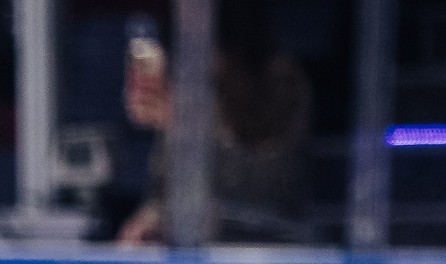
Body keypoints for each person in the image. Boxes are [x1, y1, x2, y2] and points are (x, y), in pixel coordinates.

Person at [116, 3, 312, 246]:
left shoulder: (280, 79)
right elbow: (162, 186)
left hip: (269, 248)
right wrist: (150, 219)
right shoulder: (183, 85)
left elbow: (267, 189)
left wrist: (188, 121)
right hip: (194, 254)